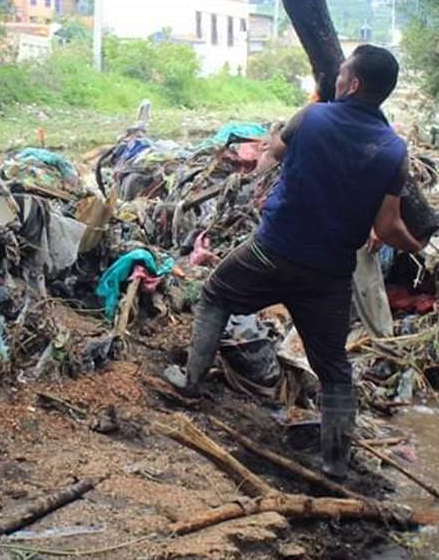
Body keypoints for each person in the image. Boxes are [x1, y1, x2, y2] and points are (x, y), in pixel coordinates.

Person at [163, 45, 423, 480]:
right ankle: (335, 462)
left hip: (273, 250)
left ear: (353, 84)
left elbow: (276, 151)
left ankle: (190, 383)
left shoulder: (312, 117)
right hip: (328, 274)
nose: (335, 78)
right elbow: (389, 225)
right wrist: (417, 247)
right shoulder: (394, 150)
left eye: (341, 73)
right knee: (334, 368)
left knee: (214, 294)